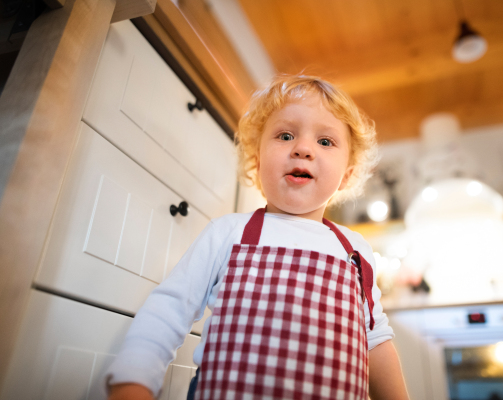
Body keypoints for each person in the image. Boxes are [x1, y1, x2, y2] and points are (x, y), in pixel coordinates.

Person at [106, 75, 410, 400]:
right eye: (285, 135)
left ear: (346, 174)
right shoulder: (228, 233)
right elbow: (169, 310)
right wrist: (132, 383)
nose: (303, 149)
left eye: (325, 141)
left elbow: (375, 340)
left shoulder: (355, 250)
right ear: (257, 158)